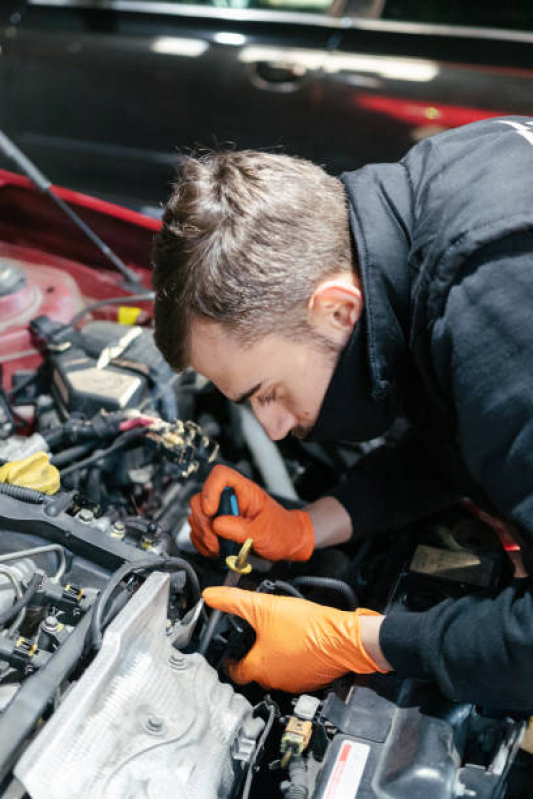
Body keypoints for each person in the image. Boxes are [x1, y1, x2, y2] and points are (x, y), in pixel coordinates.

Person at [152, 116, 533, 710]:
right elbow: (462, 434)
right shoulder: (430, 204)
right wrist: (307, 526)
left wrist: (359, 641)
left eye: (267, 391)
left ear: (336, 309)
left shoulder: (496, 294)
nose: (274, 427)